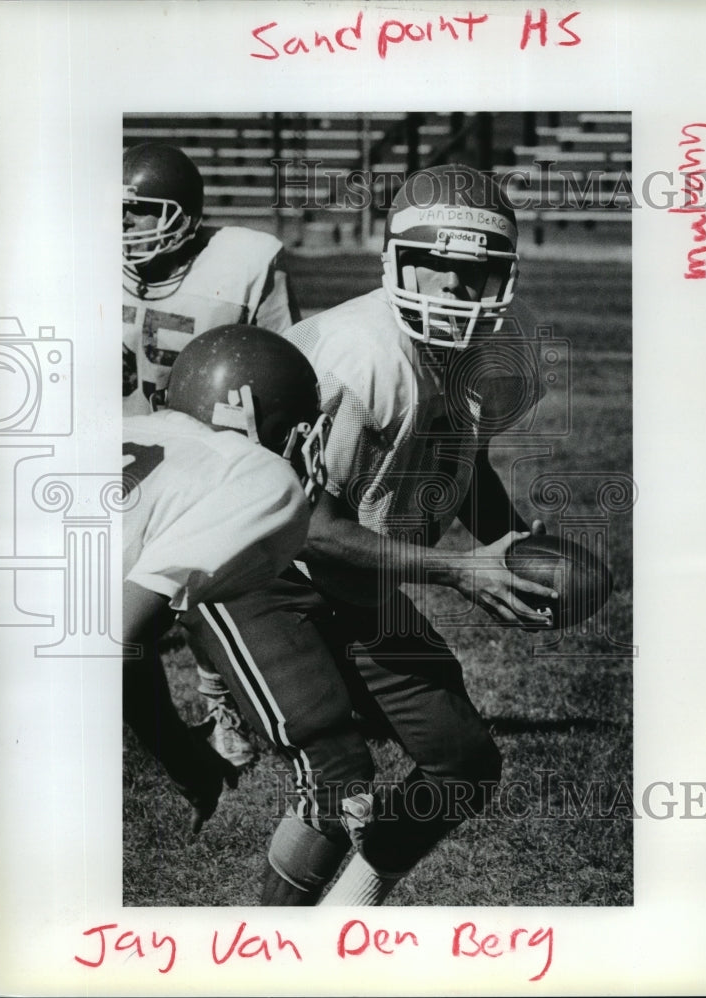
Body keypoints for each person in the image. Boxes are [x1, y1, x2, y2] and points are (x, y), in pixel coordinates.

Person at [179, 163, 558, 906]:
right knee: (337, 780)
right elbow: (311, 527)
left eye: (475, 272)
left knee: (461, 763)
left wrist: (509, 545)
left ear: (504, 275)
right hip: (260, 571)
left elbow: (460, 458)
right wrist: (461, 571)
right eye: (434, 268)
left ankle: (347, 914)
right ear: (394, 262)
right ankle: (272, 953)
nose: (453, 289)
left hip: (354, 577)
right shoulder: (359, 354)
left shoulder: (505, 345)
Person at [122, 141, 302, 766]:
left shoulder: (242, 263)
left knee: (203, 580)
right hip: (121, 446)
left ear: (184, 215)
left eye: (140, 212)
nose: (123, 226)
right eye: (118, 213)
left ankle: (223, 700)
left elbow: (280, 359)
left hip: (205, 452)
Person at [122, 324, 332, 835]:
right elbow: (111, 641)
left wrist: (182, 760)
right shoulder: (255, 475)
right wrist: (181, 754)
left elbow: (129, 635)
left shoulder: (117, 428)